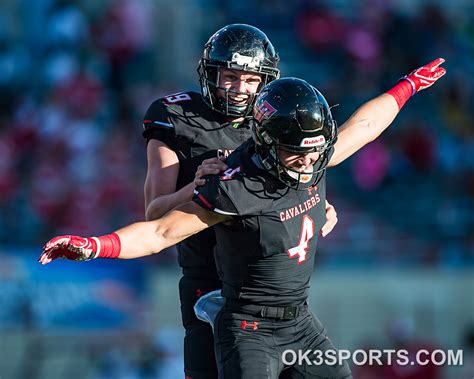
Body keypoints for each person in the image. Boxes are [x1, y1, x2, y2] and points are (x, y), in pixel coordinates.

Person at [39, 58, 446, 378]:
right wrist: (95, 246)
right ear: (267, 142)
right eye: (295, 151)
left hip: (302, 322)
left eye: (314, 151)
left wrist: (407, 86)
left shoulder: (315, 158)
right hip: (250, 329)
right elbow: (160, 231)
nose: (306, 162)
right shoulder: (237, 184)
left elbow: (366, 125)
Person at [141, 23, 338, 379]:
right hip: (208, 279)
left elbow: (302, 173)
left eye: (251, 79)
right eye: (231, 76)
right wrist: (195, 185)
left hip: (263, 284)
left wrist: (315, 202)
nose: (240, 89)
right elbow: (154, 213)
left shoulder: (276, 118)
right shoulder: (176, 118)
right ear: (211, 73)